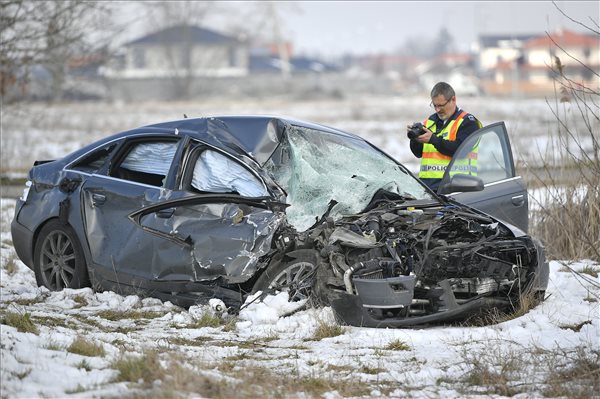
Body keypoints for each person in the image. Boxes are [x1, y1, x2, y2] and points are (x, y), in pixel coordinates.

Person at [408, 82, 482, 191]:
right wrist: (414, 140)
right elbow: (418, 153)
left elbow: (460, 151)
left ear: (453, 99)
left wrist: (433, 139)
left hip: (458, 187)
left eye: (441, 105)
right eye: (435, 105)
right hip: (429, 188)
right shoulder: (430, 121)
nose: (437, 110)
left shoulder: (467, 122)